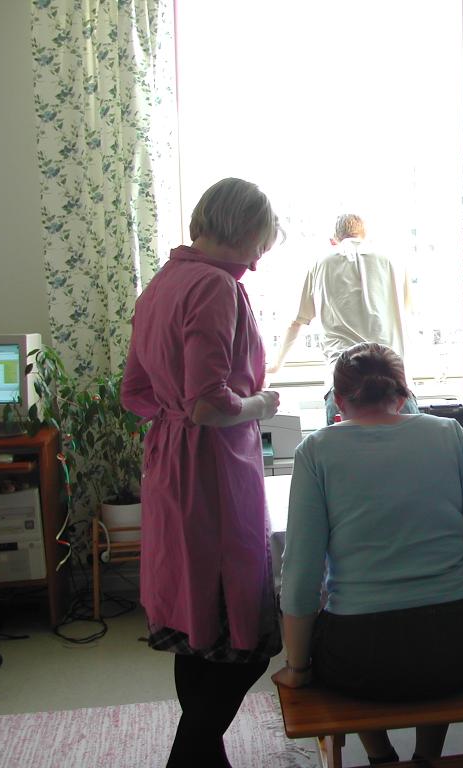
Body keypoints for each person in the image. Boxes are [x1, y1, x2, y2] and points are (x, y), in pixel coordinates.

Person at [273, 342, 463, 764]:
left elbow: (300, 580)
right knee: (435, 648)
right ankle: (427, 757)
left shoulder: (316, 450)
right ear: (404, 396)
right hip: (461, 648)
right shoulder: (450, 435)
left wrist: (297, 669)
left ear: (338, 401)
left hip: (360, 656)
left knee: (341, 652)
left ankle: (381, 755)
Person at [121, 178, 284, 768]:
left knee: (196, 627)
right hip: (213, 469)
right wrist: (260, 405)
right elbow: (211, 405)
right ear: (246, 232)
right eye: (261, 243)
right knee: (245, 636)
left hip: (169, 463)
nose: (260, 258)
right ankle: (188, 759)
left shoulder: (163, 282)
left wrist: (176, 418)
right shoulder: (216, 286)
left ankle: (205, 759)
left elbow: (135, 392)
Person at [266, 213, 419, 423]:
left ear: (334, 240)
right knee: (411, 444)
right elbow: (408, 313)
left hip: (344, 382)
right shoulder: (393, 261)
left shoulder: (320, 263)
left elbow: (297, 322)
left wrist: (275, 366)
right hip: (393, 378)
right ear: (364, 235)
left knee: (342, 445)